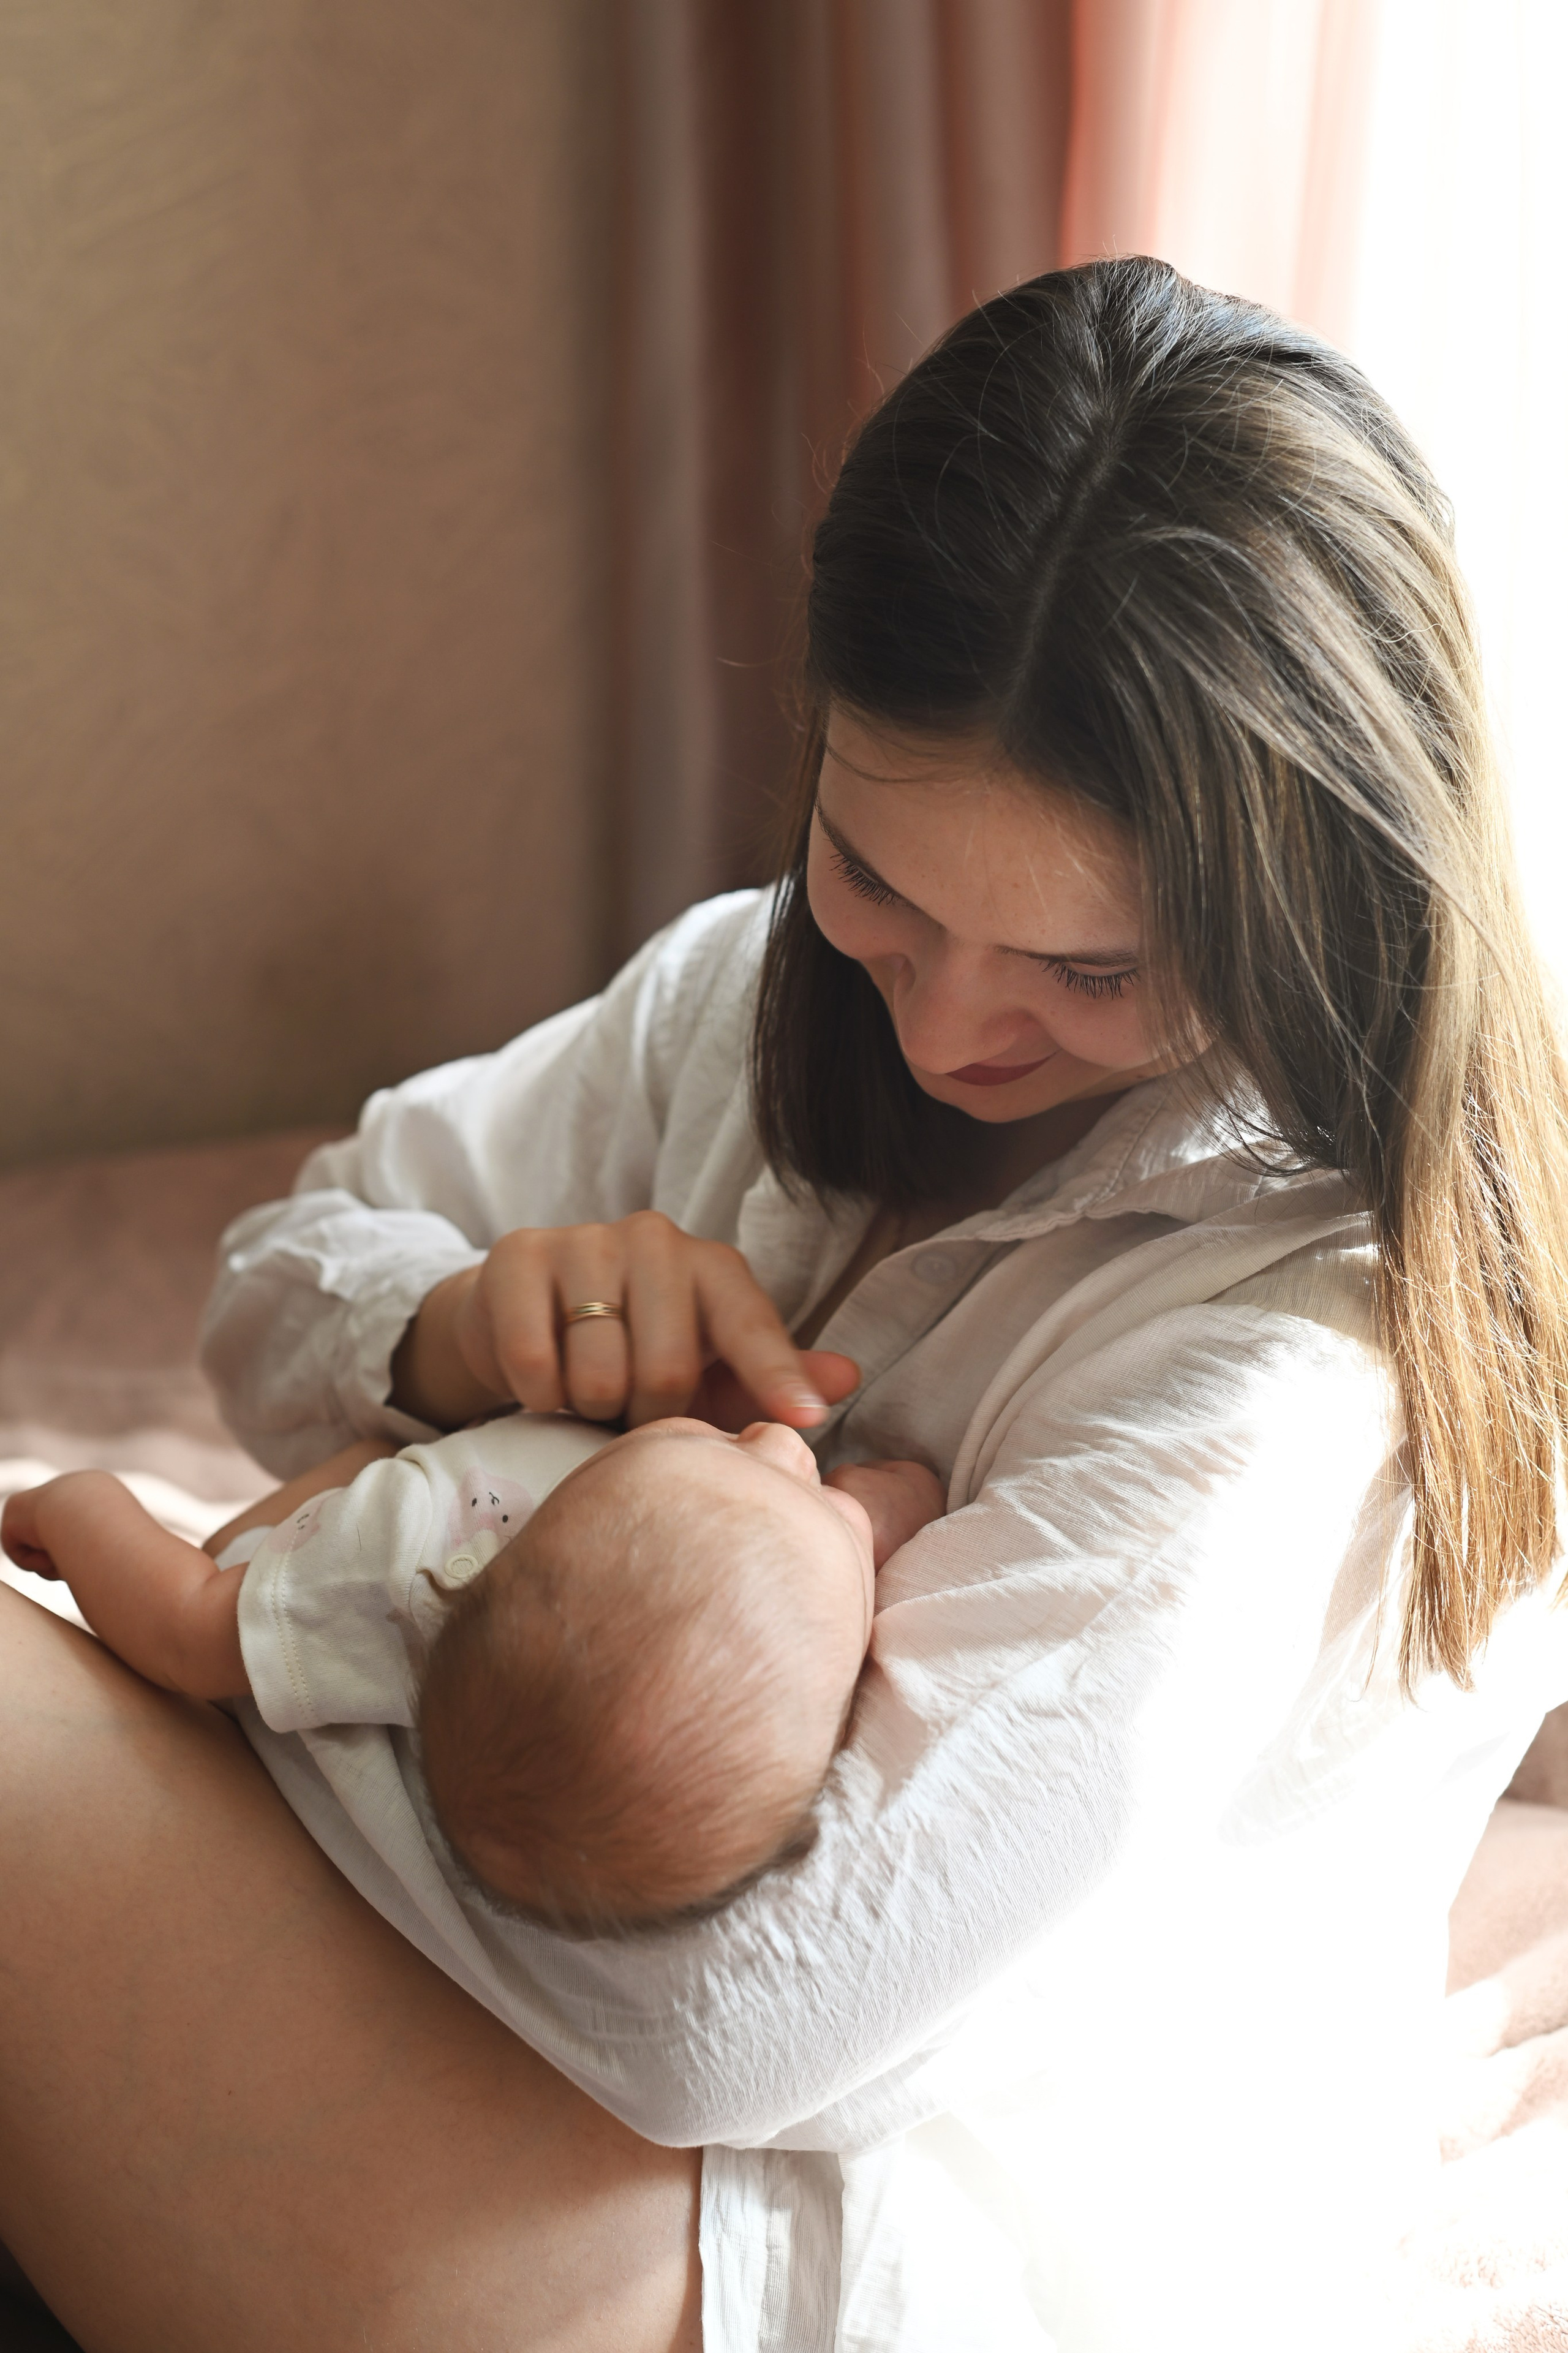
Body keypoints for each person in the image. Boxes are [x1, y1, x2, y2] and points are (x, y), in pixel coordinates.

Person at [4, 255, 1568, 2352]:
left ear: (1309, 894)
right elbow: (280, 1285)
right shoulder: (762, 986)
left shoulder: (1303, 1354)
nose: (944, 1023)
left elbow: (738, 2030)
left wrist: (290, 1652)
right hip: (565, 2088)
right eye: (881, 880)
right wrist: (455, 1334)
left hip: (854, 2246)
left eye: (1091, 970)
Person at [0, 1414, 941, 1929]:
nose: (781, 1440)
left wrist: (77, 1508)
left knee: (251, 1593)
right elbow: (886, 1506)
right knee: (371, 1451)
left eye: (832, 1513)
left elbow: (183, 1622)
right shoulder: (410, 1555)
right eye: (725, 1442)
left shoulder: (394, 1566)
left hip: (281, 1592)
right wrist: (873, 1511)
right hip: (398, 1482)